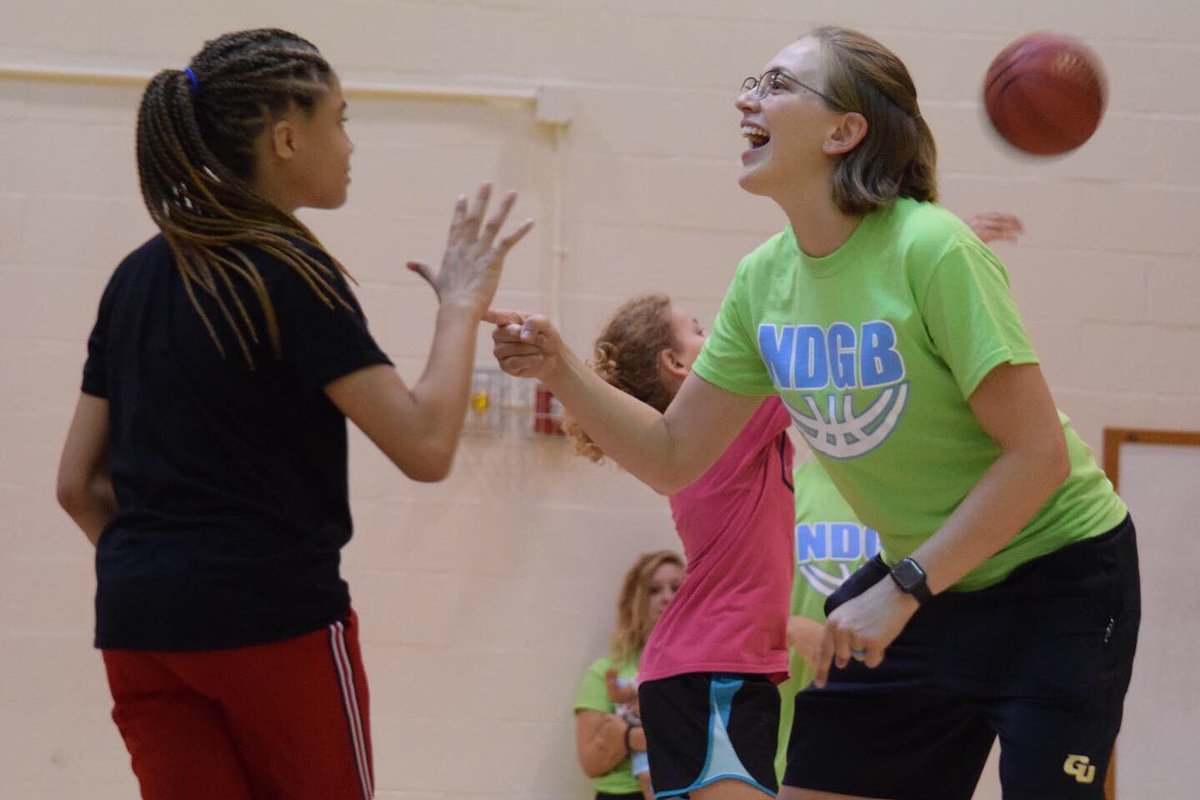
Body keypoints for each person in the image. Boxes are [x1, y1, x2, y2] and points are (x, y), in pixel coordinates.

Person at [493, 24, 1137, 800]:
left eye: (775, 86)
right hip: (923, 578)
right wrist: (560, 369)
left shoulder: (934, 250)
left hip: (1055, 577)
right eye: (752, 81)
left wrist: (900, 589)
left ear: (845, 130)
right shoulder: (764, 281)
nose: (745, 99)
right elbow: (672, 453)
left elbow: (1038, 457)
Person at [53, 28, 532, 800]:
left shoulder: (134, 276)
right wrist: (461, 306)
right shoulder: (290, 271)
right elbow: (425, 446)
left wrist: (165, 574)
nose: (349, 143)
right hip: (272, 620)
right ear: (285, 136)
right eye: (339, 119)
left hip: (138, 624)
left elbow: (76, 486)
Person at [773, 215, 1024, 783]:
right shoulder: (792, 490)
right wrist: (795, 629)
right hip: (796, 720)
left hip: (901, 707)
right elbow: (734, 601)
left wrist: (942, 262)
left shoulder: (918, 494)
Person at [567, 294, 795, 800]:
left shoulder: (701, 439)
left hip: (707, 668)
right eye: (699, 330)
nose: (714, 336)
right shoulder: (726, 426)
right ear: (675, 363)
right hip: (712, 668)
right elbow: (807, 353)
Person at [575, 550, 684, 800]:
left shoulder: (702, 671)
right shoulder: (605, 672)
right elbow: (591, 763)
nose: (667, 598)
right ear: (635, 601)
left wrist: (625, 735)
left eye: (677, 589)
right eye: (654, 590)